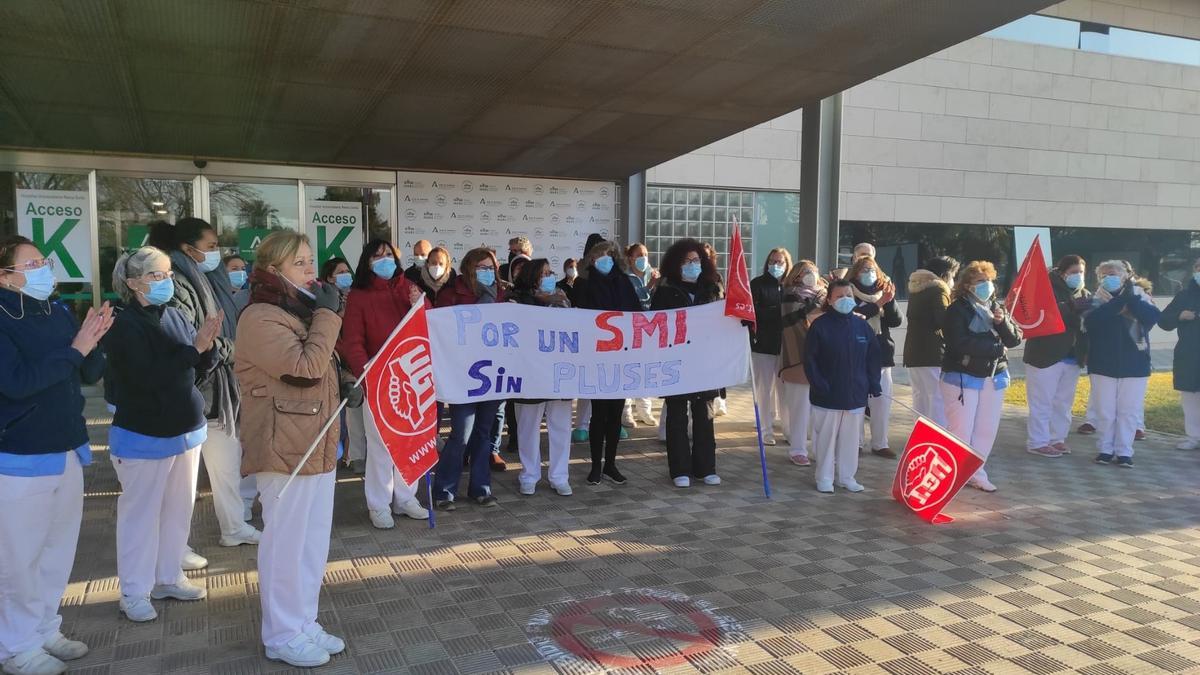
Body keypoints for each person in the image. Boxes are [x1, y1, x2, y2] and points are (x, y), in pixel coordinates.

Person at [235, 232, 347, 668]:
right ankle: (281, 633)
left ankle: (303, 622)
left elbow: (321, 370)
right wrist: (327, 316)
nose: (310, 270)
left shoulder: (296, 311)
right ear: (275, 269)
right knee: (285, 543)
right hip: (284, 447)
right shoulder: (260, 316)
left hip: (315, 443)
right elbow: (304, 369)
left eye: (310, 261)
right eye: (300, 262)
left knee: (311, 543)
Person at [0, 236, 110, 675]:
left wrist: (95, 340)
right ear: (5, 275)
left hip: (67, 445)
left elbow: (87, 371)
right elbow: (18, 382)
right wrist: (76, 349)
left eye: (44, 259)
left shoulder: (55, 309)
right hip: (21, 454)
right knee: (18, 560)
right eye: (33, 262)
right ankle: (15, 645)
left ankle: (45, 627)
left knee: (57, 550)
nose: (45, 267)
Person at [104, 246, 221, 623]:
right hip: (143, 436)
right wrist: (194, 351)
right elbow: (145, 378)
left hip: (185, 431)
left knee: (178, 511)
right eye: (157, 275)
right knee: (140, 517)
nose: (166, 281)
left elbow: (192, 371)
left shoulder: (173, 314)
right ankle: (134, 592)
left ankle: (168, 576)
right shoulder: (125, 325)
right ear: (133, 282)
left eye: (169, 274)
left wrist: (207, 349)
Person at [147, 219, 259, 548]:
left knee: (226, 465)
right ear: (187, 248)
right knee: (183, 481)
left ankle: (234, 526)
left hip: (218, 391)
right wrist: (232, 349)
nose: (216, 253)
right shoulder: (179, 283)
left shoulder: (206, 278)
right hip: (194, 389)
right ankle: (175, 548)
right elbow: (193, 339)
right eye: (210, 247)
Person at [336, 240, 430, 529]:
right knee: (381, 445)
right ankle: (378, 504)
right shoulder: (359, 296)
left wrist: (419, 304)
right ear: (367, 262)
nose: (385, 260)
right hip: (378, 379)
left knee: (409, 438)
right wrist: (366, 371)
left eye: (389, 255)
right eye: (378, 257)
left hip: (410, 375)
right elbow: (353, 341)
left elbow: (425, 329)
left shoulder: (407, 288)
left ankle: (406, 498)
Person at [433, 247, 506, 509]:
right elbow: (443, 330)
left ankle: (481, 488)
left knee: (483, 434)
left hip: (491, 374)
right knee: (461, 434)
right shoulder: (452, 293)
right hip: (463, 375)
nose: (487, 272)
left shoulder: (501, 294)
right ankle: (443, 490)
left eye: (491, 268)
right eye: (482, 267)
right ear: (469, 267)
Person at [940, 261, 1021, 492]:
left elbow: (1014, 338)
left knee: (986, 429)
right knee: (961, 429)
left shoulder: (997, 307)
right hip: (963, 376)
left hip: (993, 376)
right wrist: (995, 349)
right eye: (980, 281)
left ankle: (976, 471)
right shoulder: (957, 309)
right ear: (967, 286)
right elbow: (958, 342)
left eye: (989, 281)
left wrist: (1002, 322)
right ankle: (954, 473)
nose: (986, 285)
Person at [650, 239, 723, 487]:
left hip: (706, 361)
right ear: (676, 264)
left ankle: (706, 468)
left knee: (705, 414)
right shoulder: (665, 290)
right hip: (677, 360)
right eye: (687, 261)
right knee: (678, 415)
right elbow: (657, 324)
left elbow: (723, 320)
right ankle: (679, 469)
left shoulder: (713, 288)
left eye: (696, 260)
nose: (693, 265)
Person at [804, 279, 882, 493]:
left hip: (855, 393)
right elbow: (810, 360)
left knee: (850, 440)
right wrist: (819, 384)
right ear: (829, 300)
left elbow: (873, 357)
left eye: (848, 295)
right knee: (826, 440)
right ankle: (824, 477)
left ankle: (847, 477)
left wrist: (873, 383)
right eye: (839, 296)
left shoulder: (861, 326)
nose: (845, 299)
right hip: (827, 395)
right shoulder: (820, 326)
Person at [573, 239, 641, 485]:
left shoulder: (623, 282)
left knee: (615, 414)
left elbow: (636, 314)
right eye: (601, 255)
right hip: (596, 357)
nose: (606, 259)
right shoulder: (583, 283)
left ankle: (611, 464)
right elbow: (577, 316)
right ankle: (595, 465)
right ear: (591, 259)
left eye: (610, 255)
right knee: (599, 413)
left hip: (620, 357)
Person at [509, 259, 574, 496]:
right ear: (531, 277)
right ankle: (529, 475)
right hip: (529, 373)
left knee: (560, 425)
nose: (548, 276)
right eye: (543, 273)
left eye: (550, 272)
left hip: (560, 372)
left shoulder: (563, 299)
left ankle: (559, 476)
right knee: (528, 426)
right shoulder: (516, 299)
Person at [1085, 260, 1160, 467]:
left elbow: (1152, 317)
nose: (1109, 278)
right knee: (1105, 410)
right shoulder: (1095, 299)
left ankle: (1124, 451)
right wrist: (1119, 304)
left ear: (1125, 276)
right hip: (1103, 363)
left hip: (1135, 363)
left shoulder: (1140, 295)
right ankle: (1105, 449)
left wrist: (1131, 300)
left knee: (1128, 411)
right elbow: (1091, 322)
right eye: (1104, 275)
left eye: (1113, 274)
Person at [1023, 255, 1091, 458]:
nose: (1077, 276)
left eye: (1081, 272)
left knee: (1063, 403)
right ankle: (1037, 441)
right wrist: (1071, 309)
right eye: (1073, 272)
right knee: (1042, 402)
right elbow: (1043, 315)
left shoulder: (1085, 294)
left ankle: (1057, 439)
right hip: (1044, 356)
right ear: (1062, 273)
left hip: (1071, 357)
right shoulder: (1045, 289)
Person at [846, 255, 900, 458]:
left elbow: (895, 321)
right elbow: (854, 316)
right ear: (856, 272)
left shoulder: (884, 292)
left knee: (882, 401)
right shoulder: (849, 291)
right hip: (857, 352)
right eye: (863, 270)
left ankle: (880, 443)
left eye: (871, 269)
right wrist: (878, 303)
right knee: (858, 399)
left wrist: (889, 301)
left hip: (882, 352)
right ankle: (856, 442)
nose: (868, 274)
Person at [777, 260, 826, 466]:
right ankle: (798, 448)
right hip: (796, 359)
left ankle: (817, 448)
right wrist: (817, 308)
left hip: (823, 360)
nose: (811, 276)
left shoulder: (825, 296)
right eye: (806, 272)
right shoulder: (789, 297)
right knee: (800, 407)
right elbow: (794, 322)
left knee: (820, 409)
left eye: (814, 272)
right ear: (796, 275)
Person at [904, 256, 958, 427]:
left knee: (919, 397)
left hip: (913, 353)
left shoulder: (917, 289)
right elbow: (943, 321)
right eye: (953, 276)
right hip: (932, 353)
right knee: (936, 398)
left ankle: (919, 435)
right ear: (945, 275)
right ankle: (936, 439)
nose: (953, 281)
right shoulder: (938, 290)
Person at [749, 248, 791, 445]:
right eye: (773, 262)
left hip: (787, 347)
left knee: (785, 390)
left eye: (780, 262)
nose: (776, 266)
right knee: (764, 390)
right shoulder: (757, 284)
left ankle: (789, 429)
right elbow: (753, 313)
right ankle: (765, 430)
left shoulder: (791, 285)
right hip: (763, 345)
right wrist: (778, 313)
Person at [1160, 257, 1200, 450]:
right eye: (1199, 268)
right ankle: (1193, 437)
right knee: (1190, 397)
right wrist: (1179, 316)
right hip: (1189, 353)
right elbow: (1163, 321)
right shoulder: (1184, 295)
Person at [622, 243, 659, 428]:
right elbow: (633, 301)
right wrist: (649, 287)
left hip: (649, 331)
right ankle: (626, 412)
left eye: (645, 254)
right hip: (630, 331)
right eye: (639, 255)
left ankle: (645, 410)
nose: (643, 258)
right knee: (629, 371)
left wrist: (655, 285)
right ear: (630, 258)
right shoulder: (625, 278)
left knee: (646, 370)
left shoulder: (650, 275)